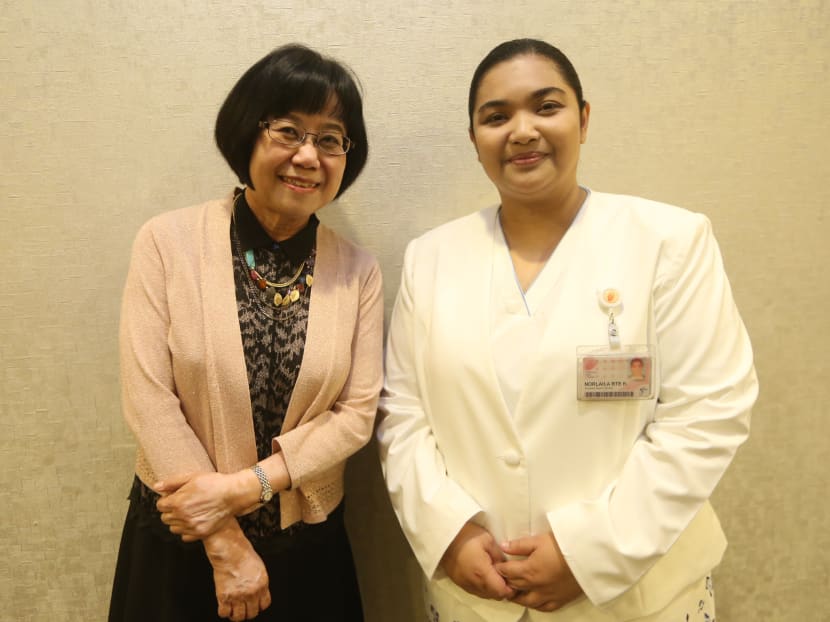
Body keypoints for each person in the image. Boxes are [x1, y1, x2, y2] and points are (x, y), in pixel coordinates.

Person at [377, 38, 758, 622]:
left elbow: (709, 413)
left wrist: (589, 552)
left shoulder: (668, 242)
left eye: (546, 107)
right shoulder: (430, 259)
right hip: (478, 597)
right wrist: (448, 534)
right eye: (496, 117)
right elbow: (403, 414)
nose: (521, 131)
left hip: (639, 597)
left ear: (583, 120)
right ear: (475, 139)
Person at [109, 44, 383, 622]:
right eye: (289, 130)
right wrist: (225, 541)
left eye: (330, 139)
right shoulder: (166, 243)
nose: (308, 156)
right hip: (181, 544)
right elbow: (150, 401)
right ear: (247, 133)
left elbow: (357, 412)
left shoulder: (359, 271)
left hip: (308, 545)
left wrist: (245, 488)